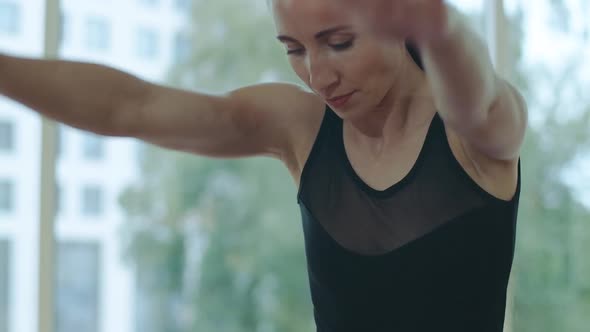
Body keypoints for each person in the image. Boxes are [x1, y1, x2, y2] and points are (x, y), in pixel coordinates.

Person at [0, 0, 527, 331]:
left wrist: (443, 28)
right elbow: (131, 107)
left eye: (339, 43)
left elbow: (474, 97)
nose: (318, 75)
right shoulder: (302, 127)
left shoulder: (476, 134)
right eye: (294, 49)